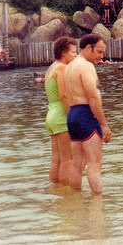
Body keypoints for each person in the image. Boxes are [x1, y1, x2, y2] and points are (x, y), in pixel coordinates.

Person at [63, 34, 111, 194]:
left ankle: (75, 203)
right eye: (99, 52)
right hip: (85, 114)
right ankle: (98, 207)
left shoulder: (70, 66)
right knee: (95, 164)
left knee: (77, 163)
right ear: (88, 48)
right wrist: (104, 125)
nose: (101, 57)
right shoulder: (86, 66)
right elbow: (93, 97)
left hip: (72, 115)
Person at [44, 36, 78, 184]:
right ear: (63, 53)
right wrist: (73, 116)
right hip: (61, 116)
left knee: (56, 159)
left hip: (51, 115)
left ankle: (54, 190)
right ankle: (66, 196)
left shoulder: (51, 67)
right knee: (68, 159)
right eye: (73, 52)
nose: (76, 56)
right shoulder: (62, 68)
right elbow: (64, 95)